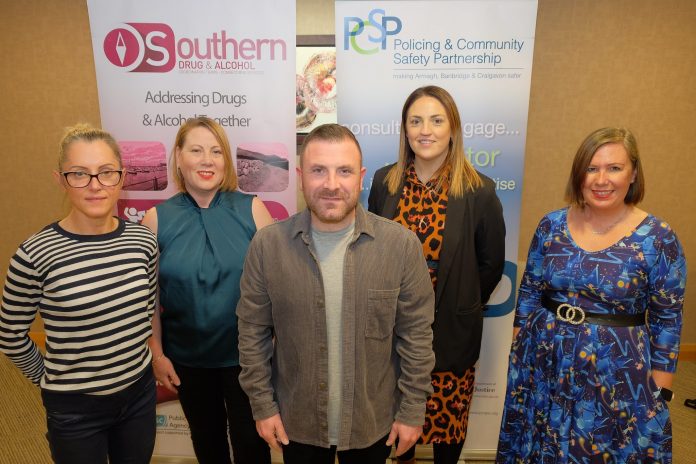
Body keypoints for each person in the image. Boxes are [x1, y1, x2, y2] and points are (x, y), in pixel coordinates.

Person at [236, 123, 436, 464]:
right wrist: (263, 406)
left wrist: (412, 411)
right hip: (296, 424)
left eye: (343, 171)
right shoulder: (267, 246)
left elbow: (416, 337)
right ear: (300, 176)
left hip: (372, 426)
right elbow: (252, 333)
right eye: (318, 171)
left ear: (360, 177)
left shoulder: (400, 247)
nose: (331, 184)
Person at [496, 127, 687, 463]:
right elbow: (529, 291)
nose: (602, 179)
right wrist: (520, 352)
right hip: (545, 359)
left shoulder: (658, 238)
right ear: (578, 174)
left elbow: (667, 317)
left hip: (617, 369)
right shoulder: (551, 225)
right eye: (591, 168)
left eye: (614, 168)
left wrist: (660, 388)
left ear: (634, 174)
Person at [0, 124, 158, 464]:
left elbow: (146, 311)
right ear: (60, 179)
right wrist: (45, 378)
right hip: (75, 410)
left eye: (105, 173)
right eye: (79, 174)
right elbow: (10, 333)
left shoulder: (143, 242)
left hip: (139, 396)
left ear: (122, 177)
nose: (95, 185)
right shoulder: (35, 254)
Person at [368, 85, 506, 464]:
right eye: (415, 121)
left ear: (452, 129)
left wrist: (461, 299)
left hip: (450, 329)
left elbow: (491, 264)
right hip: (392, 327)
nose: (424, 130)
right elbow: (371, 252)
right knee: (397, 421)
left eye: (435, 120)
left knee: (448, 425)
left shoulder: (479, 191)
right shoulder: (385, 182)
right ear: (405, 130)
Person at [141, 116, 273, 464]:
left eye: (216, 151)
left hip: (248, 357)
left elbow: (277, 289)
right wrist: (157, 353)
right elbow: (149, 301)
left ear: (226, 161)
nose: (207, 160)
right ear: (179, 158)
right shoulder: (156, 219)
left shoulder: (253, 210)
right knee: (207, 440)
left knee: (252, 443)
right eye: (196, 150)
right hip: (187, 358)